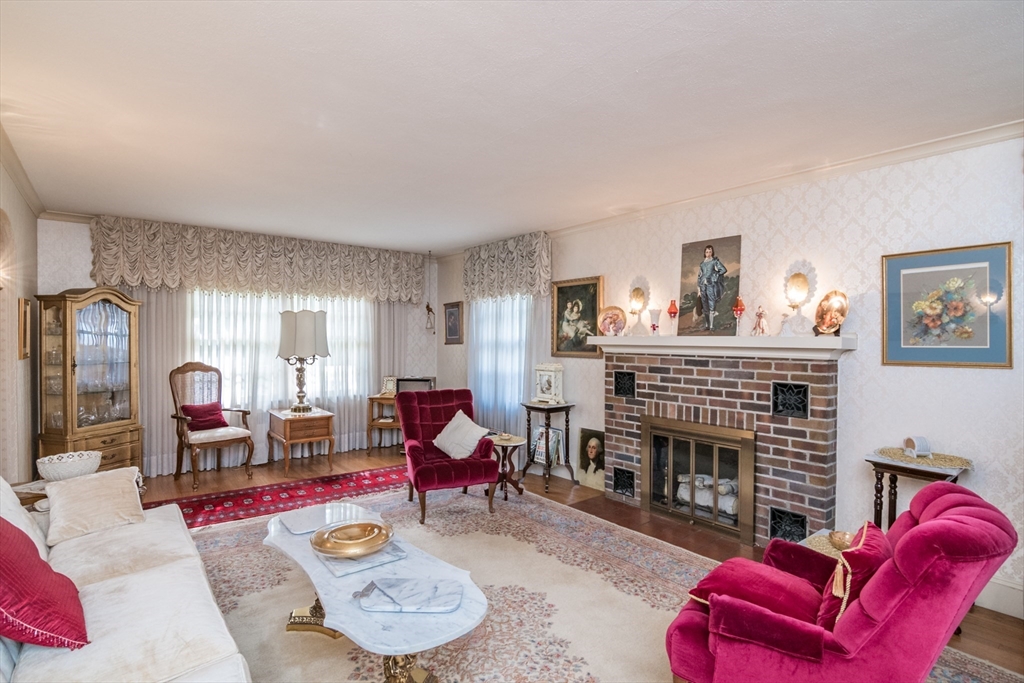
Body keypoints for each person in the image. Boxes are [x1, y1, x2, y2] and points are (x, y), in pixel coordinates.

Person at [697, 245, 728, 331]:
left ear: (712, 252)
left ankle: (711, 326)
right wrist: (699, 288)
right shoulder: (702, 264)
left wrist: (715, 275)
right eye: (707, 252)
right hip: (703, 286)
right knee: (705, 305)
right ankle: (707, 325)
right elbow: (699, 276)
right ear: (705, 253)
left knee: (711, 303)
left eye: (710, 252)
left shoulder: (715, 261)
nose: (708, 254)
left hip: (711, 285)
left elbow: (723, 270)